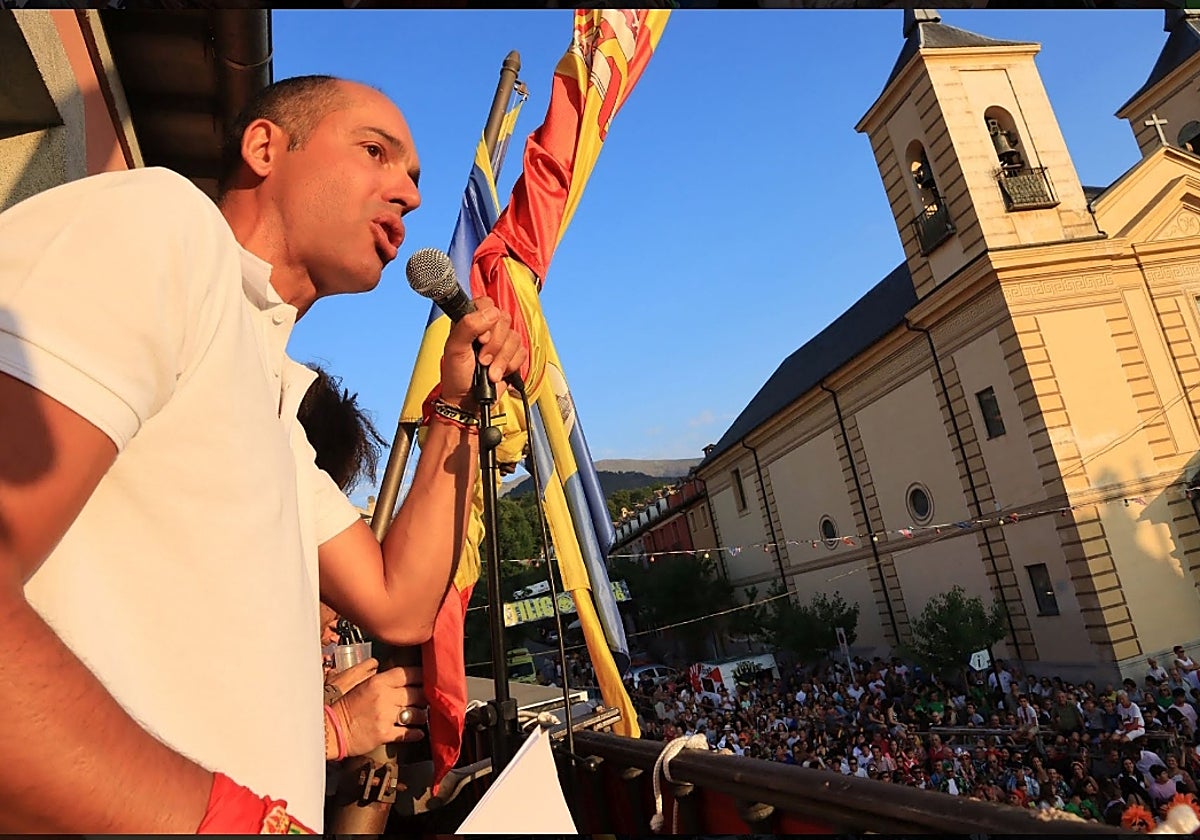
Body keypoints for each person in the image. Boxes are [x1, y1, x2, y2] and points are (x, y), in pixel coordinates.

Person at [0, 74, 525, 833]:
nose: (408, 196)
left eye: (414, 180)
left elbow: (399, 602)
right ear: (264, 147)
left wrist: (455, 406)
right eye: (376, 152)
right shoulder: (158, 221)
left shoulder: (266, 387)